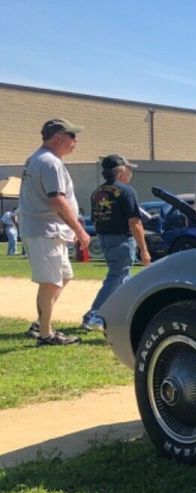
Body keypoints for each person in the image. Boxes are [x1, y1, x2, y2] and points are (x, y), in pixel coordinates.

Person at [18, 118, 89, 346]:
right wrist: (80, 230)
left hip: (45, 230)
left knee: (63, 277)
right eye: (72, 136)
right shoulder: (49, 162)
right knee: (50, 282)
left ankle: (42, 323)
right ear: (58, 137)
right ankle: (46, 334)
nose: (75, 140)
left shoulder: (37, 159)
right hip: (45, 230)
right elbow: (57, 200)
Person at [81, 155, 152, 330]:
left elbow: (96, 219)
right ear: (121, 171)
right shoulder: (127, 191)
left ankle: (123, 315)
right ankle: (94, 315)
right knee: (117, 276)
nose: (131, 173)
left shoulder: (98, 192)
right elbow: (134, 222)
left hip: (105, 238)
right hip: (121, 239)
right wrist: (144, 249)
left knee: (125, 279)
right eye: (130, 169)